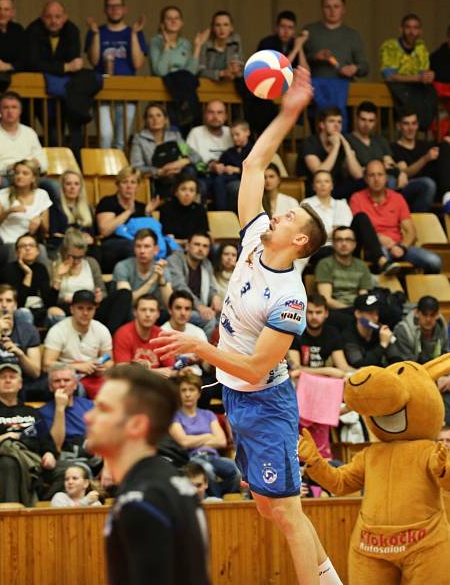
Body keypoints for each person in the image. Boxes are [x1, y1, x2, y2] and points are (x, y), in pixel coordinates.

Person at [154, 68, 341, 585]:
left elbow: (259, 367)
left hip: (264, 400)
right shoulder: (258, 235)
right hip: (236, 396)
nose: (274, 217)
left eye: (286, 219)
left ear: (300, 242)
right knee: (266, 505)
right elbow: (255, 162)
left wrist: (199, 346)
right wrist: (288, 112)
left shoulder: (290, 298)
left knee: (286, 512)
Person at [84, 363, 209, 584]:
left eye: (103, 409)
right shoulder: (171, 482)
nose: (88, 417)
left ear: (136, 425)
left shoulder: (141, 501)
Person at [0, 363, 57, 505]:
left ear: (20, 384)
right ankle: (13, 516)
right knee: (9, 464)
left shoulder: (31, 412)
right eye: (2, 377)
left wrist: (49, 453)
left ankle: (39, 510)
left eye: (12, 377)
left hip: (35, 461)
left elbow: (46, 441)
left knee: (72, 471)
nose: (7, 380)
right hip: (3, 462)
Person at [349, 160, 442, 273]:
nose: (376, 179)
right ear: (366, 179)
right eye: (372, 175)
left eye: (380, 174)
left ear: (386, 177)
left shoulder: (397, 198)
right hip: (375, 248)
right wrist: (379, 239)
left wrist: (402, 247)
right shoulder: (357, 198)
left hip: (399, 245)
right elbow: (359, 228)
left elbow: (410, 231)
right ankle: (388, 289)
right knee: (382, 259)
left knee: (435, 261)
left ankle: (421, 289)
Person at [346, 101, 436, 212]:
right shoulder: (348, 140)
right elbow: (358, 173)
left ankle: (413, 221)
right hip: (369, 186)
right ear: (356, 119)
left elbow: (391, 163)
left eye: (371, 121)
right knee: (389, 180)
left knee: (428, 184)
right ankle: (390, 216)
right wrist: (386, 168)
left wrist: (400, 173)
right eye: (363, 120)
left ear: (376, 122)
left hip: (394, 185)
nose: (366, 124)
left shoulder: (380, 140)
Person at [85, 0, 147, 150]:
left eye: (118, 6)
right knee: (105, 136)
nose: (114, 10)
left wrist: (133, 34)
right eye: (110, 7)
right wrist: (96, 35)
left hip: (127, 89)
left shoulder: (134, 32)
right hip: (102, 88)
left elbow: (138, 63)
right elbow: (93, 60)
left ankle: (116, 174)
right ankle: (104, 172)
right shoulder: (96, 31)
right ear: (105, 10)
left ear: (124, 9)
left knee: (121, 138)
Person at [25, 2, 85, 154]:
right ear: (42, 18)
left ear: (65, 17)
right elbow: (33, 63)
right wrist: (64, 67)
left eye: (58, 17)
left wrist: (56, 67)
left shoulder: (71, 30)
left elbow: (75, 63)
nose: (54, 21)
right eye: (49, 17)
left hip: (65, 91)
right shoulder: (33, 30)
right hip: (39, 92)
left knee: (65, 133)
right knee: (45, 132)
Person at [170, 372, 239, 498]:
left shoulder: (208, 414)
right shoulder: (175, 416)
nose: (187, 394)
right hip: (191, 459)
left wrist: (193, 440)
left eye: (191, 390)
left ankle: (224, 499)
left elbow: (222, 441)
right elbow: (184, 442)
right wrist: (208, 436)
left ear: (199, 393)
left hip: (214, 457)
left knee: (237, 470)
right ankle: (217, 502)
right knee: (206, 470)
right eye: (183, 390)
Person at [303, 0, 368, 121]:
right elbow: (294, 62)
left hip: (343, 92)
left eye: (336, 7)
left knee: (340, 129)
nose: (332, 11)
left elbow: (365, 67)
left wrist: (354, 69)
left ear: (343, 9)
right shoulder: (309, 31)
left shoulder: (352, 35)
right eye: (328, 7)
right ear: (322, 9)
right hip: (315, 94)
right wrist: (315, 57)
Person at [50, 228, 131, 332]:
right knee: (57, 311)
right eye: (73, 257)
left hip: (91, 307)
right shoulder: (53, 265)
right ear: (64, 251)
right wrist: (59, 277)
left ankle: (111, 336)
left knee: (124, 294)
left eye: (80, 257)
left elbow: (102, 290)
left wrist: (99, 296)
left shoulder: (91, 263)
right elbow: (49, 301)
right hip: (68, 308)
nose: (76, 261)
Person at [43, 290, 114, 399]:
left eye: (90, 309)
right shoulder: (58, 330)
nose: (85, 313)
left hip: (94, 376)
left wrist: (103, 368)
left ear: (95, 310)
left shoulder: (101, 330)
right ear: (72, 309)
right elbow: (47, 365)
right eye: (80, 308)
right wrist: (78, 367)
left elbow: (109, 361)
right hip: (66, 376)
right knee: (77, 388)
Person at [379, 14, 437, 130]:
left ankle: (420, 126)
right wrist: (417, 78)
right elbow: (389, 76)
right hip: (395, 93)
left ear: (420, 31)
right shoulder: (390, 46)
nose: (412, 31)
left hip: (415, 92)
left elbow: (423, 73)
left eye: (415, 28)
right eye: (408, 27)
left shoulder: (421, 47)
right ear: (401, 29)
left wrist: (429, 76)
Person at [128, 103, 200, 189]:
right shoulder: (139, 139)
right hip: (156, 178)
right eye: (151, 116)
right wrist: (159, 171)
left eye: (159, 115)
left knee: (190, 171)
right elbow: (136, 167)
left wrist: (181, 162)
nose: (155, 119)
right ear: (146, 121)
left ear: (165, 120)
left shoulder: (174, 136)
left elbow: (195, 156)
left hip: (178, 175)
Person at [314, 225, 374, 329]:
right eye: (339, 240)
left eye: (348, 239)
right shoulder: (325, 264)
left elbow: (363, 297)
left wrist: (360, 311)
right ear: (333, 244)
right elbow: (326, 299)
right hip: (336, 310)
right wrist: (352, 310)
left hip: (357, 309)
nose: (344, 243)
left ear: (355, 244)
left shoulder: (362, 266)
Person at [298, 106, 363, 198]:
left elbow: (358, 175)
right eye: (331, 121)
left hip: (335, 186)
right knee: (322, 183)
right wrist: (335, 147)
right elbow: (320, 173)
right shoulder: (310, 143)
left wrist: (346, 145)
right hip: (314, 187)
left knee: (361, 183)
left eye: (339, 122)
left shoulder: (344, 141)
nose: (336, 125)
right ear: (322, 125)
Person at [0, 92, 49, 178]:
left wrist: (37, 165)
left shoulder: (29, 132)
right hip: (3, 176)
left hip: (28, 176)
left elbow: (44, 162)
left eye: (14, 107)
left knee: (52, 186)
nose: (10, 111)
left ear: (20, 111)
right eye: (6, 107)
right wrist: (7, 167)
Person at [167, 232, 222, 337]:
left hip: (201, 307)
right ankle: (203, 351)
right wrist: (199, 306)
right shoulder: (175, 260)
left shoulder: (206, 264)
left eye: (205, 246)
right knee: (209, 320)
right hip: (178, 308)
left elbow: (211, 285)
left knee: (225, 319)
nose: (201, 249)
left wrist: (215, 295)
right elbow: (179, 287)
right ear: (187, 246)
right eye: (197, 244)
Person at [288, 293, 352, 381]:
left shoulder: (332, 333)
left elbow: (343, 367)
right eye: (310, 312)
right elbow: (295, 369)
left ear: (326, 313)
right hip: (302, 380)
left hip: (325, 382)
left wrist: (361, 372)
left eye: (318, 312)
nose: (314, 317)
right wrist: (328, 371)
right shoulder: (296, 332)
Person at [0, 233, 57, 325]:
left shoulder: (41, 268)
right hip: (16, 313)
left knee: (57, 313)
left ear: (37, 251)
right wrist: (28, 274)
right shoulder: (8, 270)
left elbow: (48, 303)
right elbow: (19, 303)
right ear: (17, 252)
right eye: (23, 246)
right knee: (24, 313)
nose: (28, 248)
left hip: (39, 311)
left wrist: (58, 281)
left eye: (31, 246)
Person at [0, 158, 52, 247]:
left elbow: (46, 231)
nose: (19, 176)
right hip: (7, 242)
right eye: (17, 173)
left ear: (33, 178)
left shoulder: (42, 195)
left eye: (25, 173)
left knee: (40, 252)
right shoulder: (2, 194)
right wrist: (8, 212)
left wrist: (40, 220)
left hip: (30, 244)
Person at [39, 363, 94, 457]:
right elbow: (56, 446)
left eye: (67, 380)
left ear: (75, 385)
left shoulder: (89, 405)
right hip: (67, 456)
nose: (62, 384)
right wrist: (60, 409)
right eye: (57, 381)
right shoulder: (43, 412)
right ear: (50, 387)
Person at [113, 295, 176, 376]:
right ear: (135, 312)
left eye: (152, 310)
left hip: (157, 385)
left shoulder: (162, 335)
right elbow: (122, 371)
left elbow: (172, 370)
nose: (147, 314)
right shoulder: (123, 334)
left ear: (158, 314)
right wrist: (153, 372)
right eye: (143, 310)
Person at [185, 100, 232, 203]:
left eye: (219, 112)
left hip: (228, 176)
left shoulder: (231, 132)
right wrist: (209, 167)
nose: (215, 116)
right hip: (204, 175)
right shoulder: (195, 133)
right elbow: (189, 159)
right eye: (211, 112)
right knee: (199, 185)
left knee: (236, 187)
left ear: (226, 116)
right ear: (205, 115)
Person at [113, 228, 173, 306]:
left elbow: (170, 305)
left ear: (156, 250)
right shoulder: (122, 267)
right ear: (134, 249)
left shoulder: (162, 268)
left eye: (147, 246)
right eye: (138, 246)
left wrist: (162, 282)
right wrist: (152, 280)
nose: (142, 251)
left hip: (155, 314)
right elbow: (125, 302)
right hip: (129, 314)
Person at [389, 295, 448, 364]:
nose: (428, 319)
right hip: (407, 369)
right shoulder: (403, 330)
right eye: (424, 314)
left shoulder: (441, 325)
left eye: (432, 315)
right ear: (416, 313)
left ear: (438, 315)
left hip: (434, 368)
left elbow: (446, 353)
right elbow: (408, 364)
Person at [148, 5, 203, 77]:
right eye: (169, 18)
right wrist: (167, 45)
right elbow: (160, 72)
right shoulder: (155, 41)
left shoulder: (186, 43)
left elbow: (191, 73)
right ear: (162, 24)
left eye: (177, 18)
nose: (173, 21)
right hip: (161, 86)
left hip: (183, 85)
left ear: (181, 23)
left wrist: (197, 47)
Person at [49, 170, 96, 252]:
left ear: (80, 187)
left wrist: (89, 239)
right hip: (63, 246)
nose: (72, 187)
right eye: (68, 184)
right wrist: (77, 239)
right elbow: (54, 234)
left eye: (76, 184)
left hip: (85, 247)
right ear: (62, 187)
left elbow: (92, 235)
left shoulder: (87, 208)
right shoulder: (55, 206)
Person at [343, 293, 393, 369]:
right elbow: (359, 363)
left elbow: (395, 358)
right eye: (370, 313)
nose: (376, 318)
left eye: (377, 313)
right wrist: (383, 344)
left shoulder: (379, 331)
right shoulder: (349, 335)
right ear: (358, 314)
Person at [198, 11, 244, 83]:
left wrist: (237, 69)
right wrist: (221, 73)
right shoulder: (206, 43)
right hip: (209, 84)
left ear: (231, 28)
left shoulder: (235, 41)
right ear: (213, 28)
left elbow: (241, 64)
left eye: (225, 25)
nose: (222, 29)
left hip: (231, 83)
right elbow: (199, 71)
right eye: (218, 25)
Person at [159, 176, 209, 241]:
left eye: (191, 190)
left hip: (195, 247)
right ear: (176, 192)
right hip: (173, 247)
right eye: (183, 189)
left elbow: (204, 234)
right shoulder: (166, 208)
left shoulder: (200, 209)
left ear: (196, 194)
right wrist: (184, 243)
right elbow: (167, 238)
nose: (187, 194)